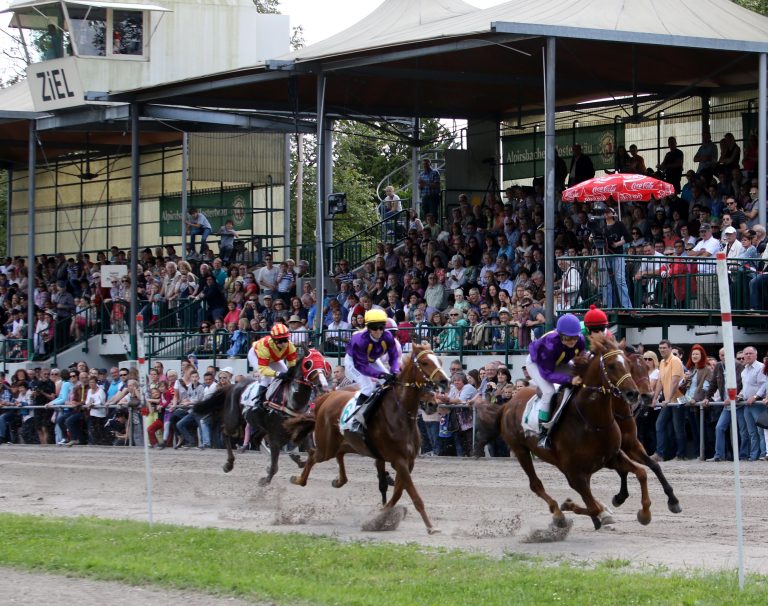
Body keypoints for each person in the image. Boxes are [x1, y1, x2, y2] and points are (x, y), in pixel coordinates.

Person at [526, 313, 586, 448]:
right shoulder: (550, 344)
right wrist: (570, 379)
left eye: (575, 337)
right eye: (568, 338)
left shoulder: (580, 340)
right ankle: (543, 433)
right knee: (549, 391)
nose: (572, 342)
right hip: (537, 364)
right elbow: (547, 374)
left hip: (559, 362)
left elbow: (582, 358)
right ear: (560, 335)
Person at [343, 309, 402, 438]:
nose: (379, 331)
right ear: (368, 328)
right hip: (354, 362)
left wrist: (395, 371)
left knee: (392, 383)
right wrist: (380, 375)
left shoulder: (388, 336)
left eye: (381, 327)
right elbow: (362, 366)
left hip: (372, 359)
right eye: (375, 328)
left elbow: (394, 358)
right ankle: (355, 420)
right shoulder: (360, 339)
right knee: (368, 387)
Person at [246, 323, 298, 409]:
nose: (283, 343)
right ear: (274, 340)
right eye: (280, 341)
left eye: (285, 340)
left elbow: (292, 365)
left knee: (286, 373)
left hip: (273, 358)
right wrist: (277, 374)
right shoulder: (265, 346)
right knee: (267, 377)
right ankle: (258, 401)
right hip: (256, 355)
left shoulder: (290, 346)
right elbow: (263, 369)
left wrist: (290, 373)